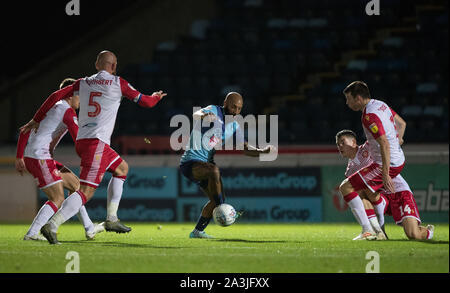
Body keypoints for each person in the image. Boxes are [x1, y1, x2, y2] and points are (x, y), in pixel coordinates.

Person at [20, 50, 167, 244]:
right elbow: (146, 103)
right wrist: (156, 96)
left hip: (86, 141)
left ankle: (112, 219)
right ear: (113, 66)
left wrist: (35, 119)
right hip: (96, 143)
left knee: (122, 168)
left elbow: (55, 95)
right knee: (85, 192)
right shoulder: (118, 83)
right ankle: (52, 225)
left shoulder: (83, 83)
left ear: (97, 65)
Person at [16, 78, 104, 241]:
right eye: (79, 96)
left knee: (76, 186)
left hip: (38, 156)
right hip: (39, 157)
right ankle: (32, 233)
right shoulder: (66, 111)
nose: (81, 100)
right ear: (70, 95)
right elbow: (78, 138)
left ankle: (89, 228)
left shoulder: (53, 107)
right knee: (57, 198)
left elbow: (25, 130)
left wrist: (20, 156)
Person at [179, 92, 276, 239]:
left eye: (239, 108)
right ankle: (222, 208)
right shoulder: (213, 110)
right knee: (214, 172)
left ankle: (198, 231)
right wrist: (205, 116)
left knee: (217, 197)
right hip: (190, 162)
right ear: (225, 103)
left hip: (206, 164)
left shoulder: (234, 126)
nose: (236, 111)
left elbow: (244, 148)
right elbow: (197, 114)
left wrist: (262, 152)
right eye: (233, 107)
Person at [336, 129, 434, 240]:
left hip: (398, 191)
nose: (339, 146)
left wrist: (398, 136)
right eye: (338, 144)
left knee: (413, 235)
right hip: (380, 197)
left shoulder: (369, 147)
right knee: (358, 192)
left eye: (343, 142)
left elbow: (385, 141)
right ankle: (377, 231)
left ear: (353, 142)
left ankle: (427, 231)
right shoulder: (349, 171)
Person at [339, 81, 406, 240]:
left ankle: (367, 230)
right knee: (361, 189)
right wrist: (400, 139)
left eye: (349, 99)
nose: (347, 103)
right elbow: (401, 123)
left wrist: (385, 173)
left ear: (359, 98)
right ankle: (376, 229)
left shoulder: (369, 116)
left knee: (346, 187)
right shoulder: (380, 104)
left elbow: (384, 142)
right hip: (397, 158)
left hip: (386, 163)